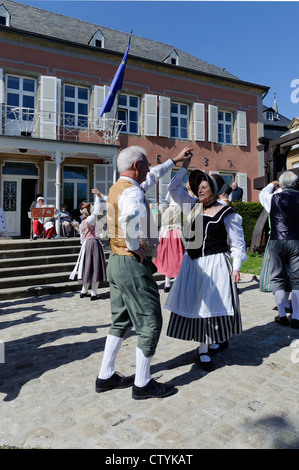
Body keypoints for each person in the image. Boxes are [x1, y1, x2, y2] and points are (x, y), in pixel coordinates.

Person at [96, 145, 192, 399]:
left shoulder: (119, 186)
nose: (150, 168)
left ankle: (105, 375)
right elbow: (131, 220)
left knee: (120, 320)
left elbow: (152, 177)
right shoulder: (132, 193)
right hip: (130, 261)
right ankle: (143, 383)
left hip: (115, 261)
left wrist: (174, 161)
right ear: (136, 166)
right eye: (147, 164)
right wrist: (136, 246)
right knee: (150, 320)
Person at [164, 157, 247, 371]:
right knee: (197, 304)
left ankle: (204, 350)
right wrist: (183, 167)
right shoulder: (191, 206)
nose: (200, 190)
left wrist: (237, 266)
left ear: (215, 190)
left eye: (204, 187)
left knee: (207, 305)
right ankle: (214, 340)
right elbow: (173, 188)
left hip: (215, 263)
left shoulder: (227, 213)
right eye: (198, 187)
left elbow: (238, 244)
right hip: (192, 263)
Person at [259, 171, 299, 329]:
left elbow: (263, 193)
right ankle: (296, 317)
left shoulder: (271, 198)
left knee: (277, 277)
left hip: (277, 240)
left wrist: (272, 184)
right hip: (296, 240)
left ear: (281, 184)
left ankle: (282, 314)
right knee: (297, 280)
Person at [69, 189, 107, 300]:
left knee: (86, 267)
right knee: (95, 267)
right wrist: (97, 196)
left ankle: (84, 291)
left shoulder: (82, 223)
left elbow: (82, 239)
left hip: (85, 245)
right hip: (93, 244)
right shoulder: (90, 220)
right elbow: (96, 210)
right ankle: (94, 293)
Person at [154, 192, 185, 292]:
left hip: (166, 235)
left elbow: (162, 224)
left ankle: (167, 284)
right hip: (176, 235)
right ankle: (175, 282)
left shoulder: (166, 210)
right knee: (178, 258)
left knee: (167, 259)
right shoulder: (180, 209)